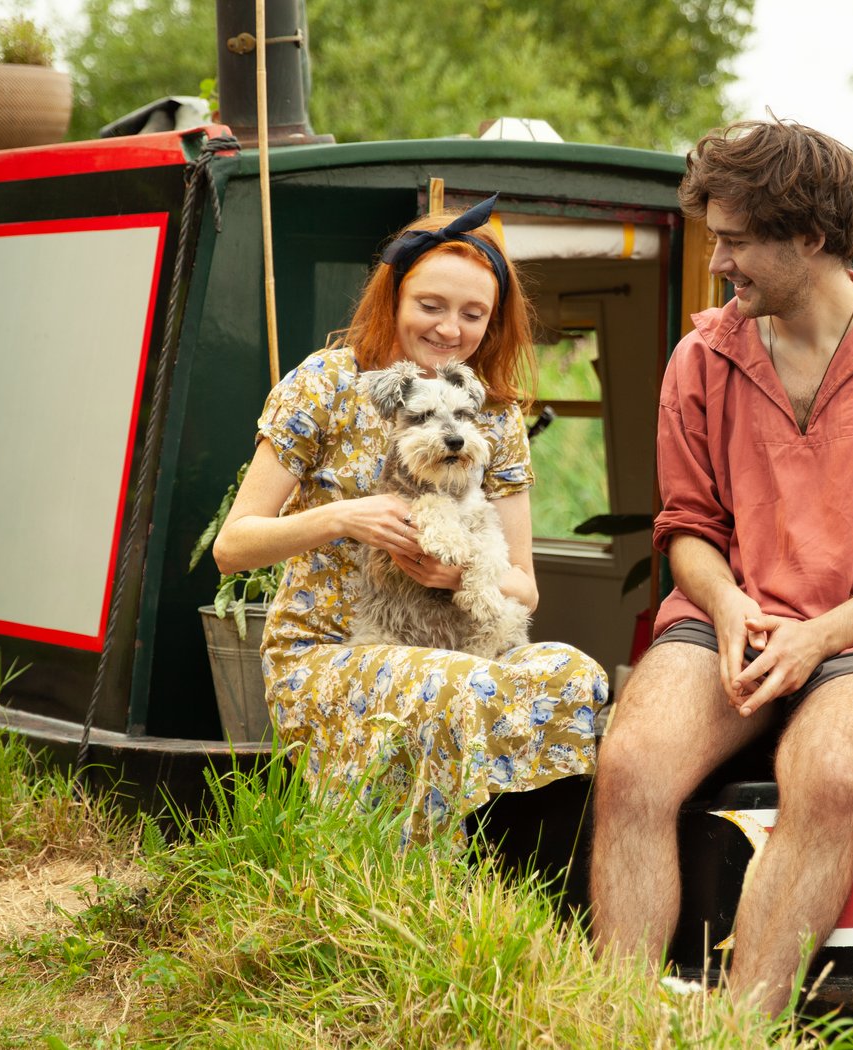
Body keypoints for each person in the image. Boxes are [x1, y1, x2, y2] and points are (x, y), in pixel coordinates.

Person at [589, 120, 853, 1011]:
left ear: (810, 236)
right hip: (733, 617)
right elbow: (688, 526)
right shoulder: (702, 358)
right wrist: (725, 602)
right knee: (630, 765)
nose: (718, 264)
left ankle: (743, 1029)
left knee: (830, 775)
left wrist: (818, 639)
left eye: (736, 242)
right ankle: (613, 1019)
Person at [214, 196, 606, 844]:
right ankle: (410, 878)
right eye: (431, 305)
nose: (450, 328)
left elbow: (524, 586)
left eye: (473, 314)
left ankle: (528, 871)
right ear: (394, 297)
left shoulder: (494, 414)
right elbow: (232, 547)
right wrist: (345, 516)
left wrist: (456, 575)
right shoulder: (326, 384)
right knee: (456, 687)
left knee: (574, 676)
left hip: (459, 643)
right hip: (330, 651)